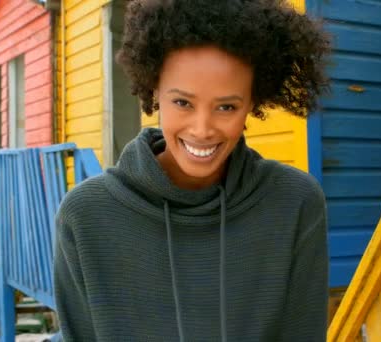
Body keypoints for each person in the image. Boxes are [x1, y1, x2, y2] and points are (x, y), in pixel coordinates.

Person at [53, 0, 331, 341]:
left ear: (252, 104)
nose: (202, 129)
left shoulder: (294, 203)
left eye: (226, 107)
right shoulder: (87, 216)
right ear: (154, 88)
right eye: (183, 102)